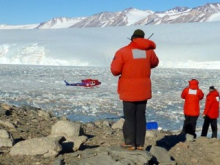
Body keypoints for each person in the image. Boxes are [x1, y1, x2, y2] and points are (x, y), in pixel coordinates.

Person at [110, 29, 159, 150]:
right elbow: (154, 63)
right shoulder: (149, 52)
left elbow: (115, 71)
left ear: (132, 38)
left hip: (128, 89)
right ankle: (140, 144)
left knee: (130, 116)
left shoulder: (123, 51)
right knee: (141, 116)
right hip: (143, 89)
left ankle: (130, 143)